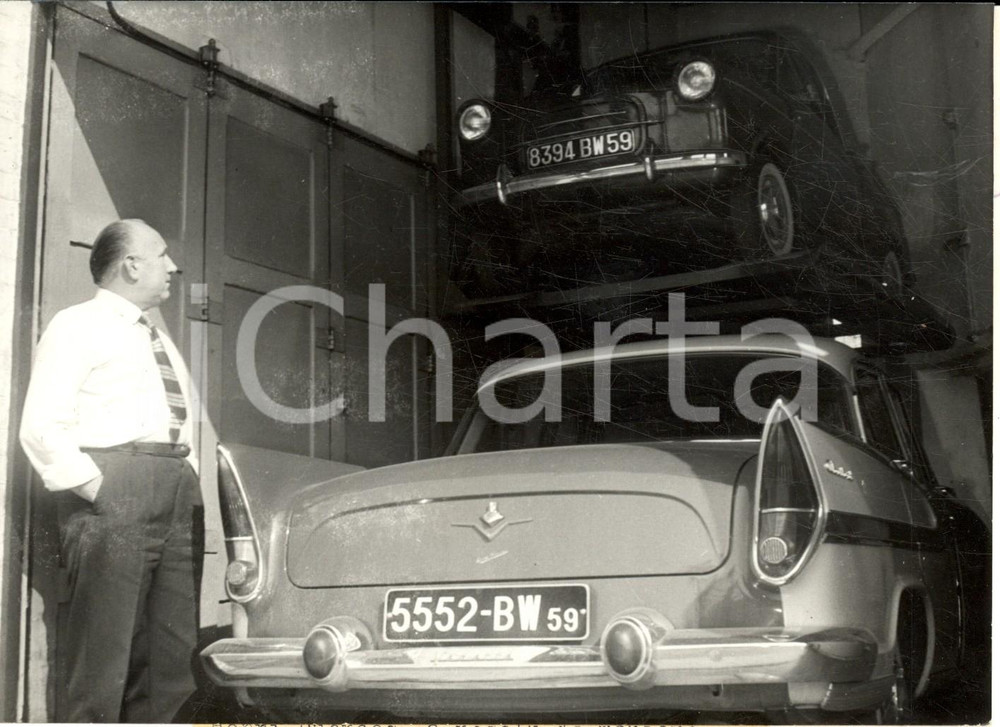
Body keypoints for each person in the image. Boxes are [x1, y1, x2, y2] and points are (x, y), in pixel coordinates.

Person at [20, 219, 202, 722]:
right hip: (115, 485)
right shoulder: (78, 325)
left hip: (175, 489)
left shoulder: (155, 335)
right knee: (104, 658)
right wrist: (103, 490)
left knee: (173, 658)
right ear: (131, 264)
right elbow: (41, 426)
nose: (172, 266)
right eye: (162, 255)